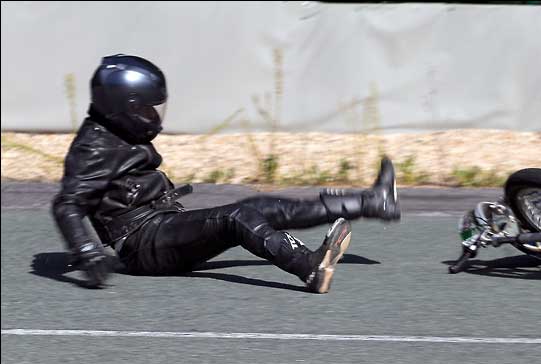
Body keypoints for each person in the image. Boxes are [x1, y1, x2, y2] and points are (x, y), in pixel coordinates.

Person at [52, 54, 400, 293]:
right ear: (123, 108)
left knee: (263, 207)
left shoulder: (115, 130)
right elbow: (67, 204)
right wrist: (86, 250)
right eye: (146, 108)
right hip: (143, 245)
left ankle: (373, 201)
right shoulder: (92, 147)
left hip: (161, 224)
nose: (154, 115)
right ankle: (308, 266)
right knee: (237, 218)